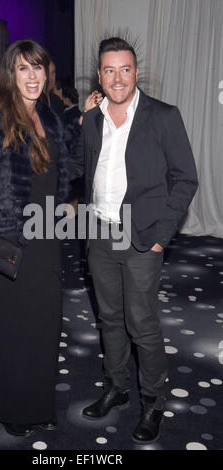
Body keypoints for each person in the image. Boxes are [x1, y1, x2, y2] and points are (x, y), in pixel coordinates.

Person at [70, 37, 198, 444]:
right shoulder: (92, 119)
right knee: (109, 319)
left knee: (141, 324)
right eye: (109, 70)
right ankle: (117, 386)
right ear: (100, 75)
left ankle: (154, 401)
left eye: (125, 69)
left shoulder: (163, 116)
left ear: (136, 72)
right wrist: (77, 123)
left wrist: (162, 235)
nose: (117, 78)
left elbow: (185, 179)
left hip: (142, 237)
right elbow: (77, 169)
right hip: (99, 234)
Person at [0, 39, 70, 437]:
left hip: (48, 239)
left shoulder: (51, 117)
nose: (33, 76)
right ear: (11, 73)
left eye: (38, 67)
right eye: (23, 68)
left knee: (44, 326)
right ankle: (12, 408)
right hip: (8, 239)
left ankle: (35, 403)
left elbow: (64, 172)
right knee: (12, 330)